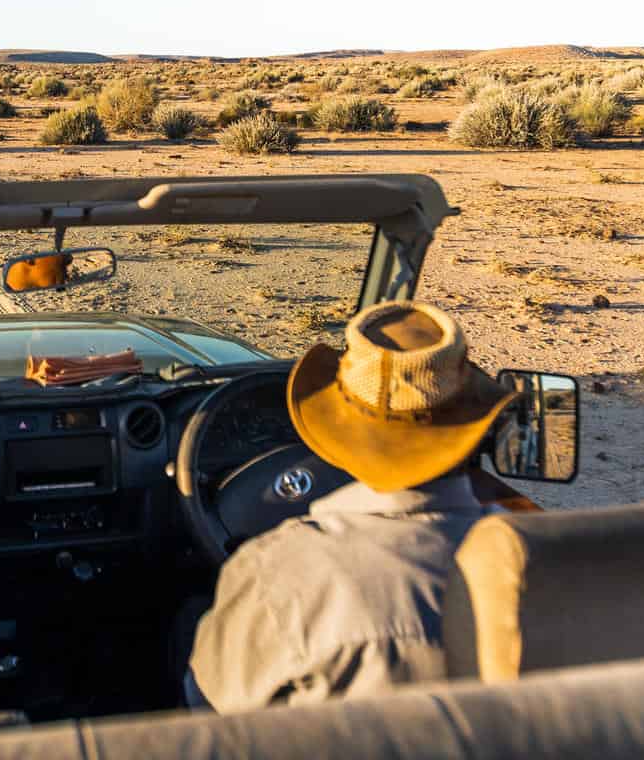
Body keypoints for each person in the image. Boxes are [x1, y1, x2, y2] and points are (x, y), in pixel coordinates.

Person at [186, 300, 520, 711]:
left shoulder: (279, 570)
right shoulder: (539, 553)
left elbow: (211, 707)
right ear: (478, 428)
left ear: (338, 436)